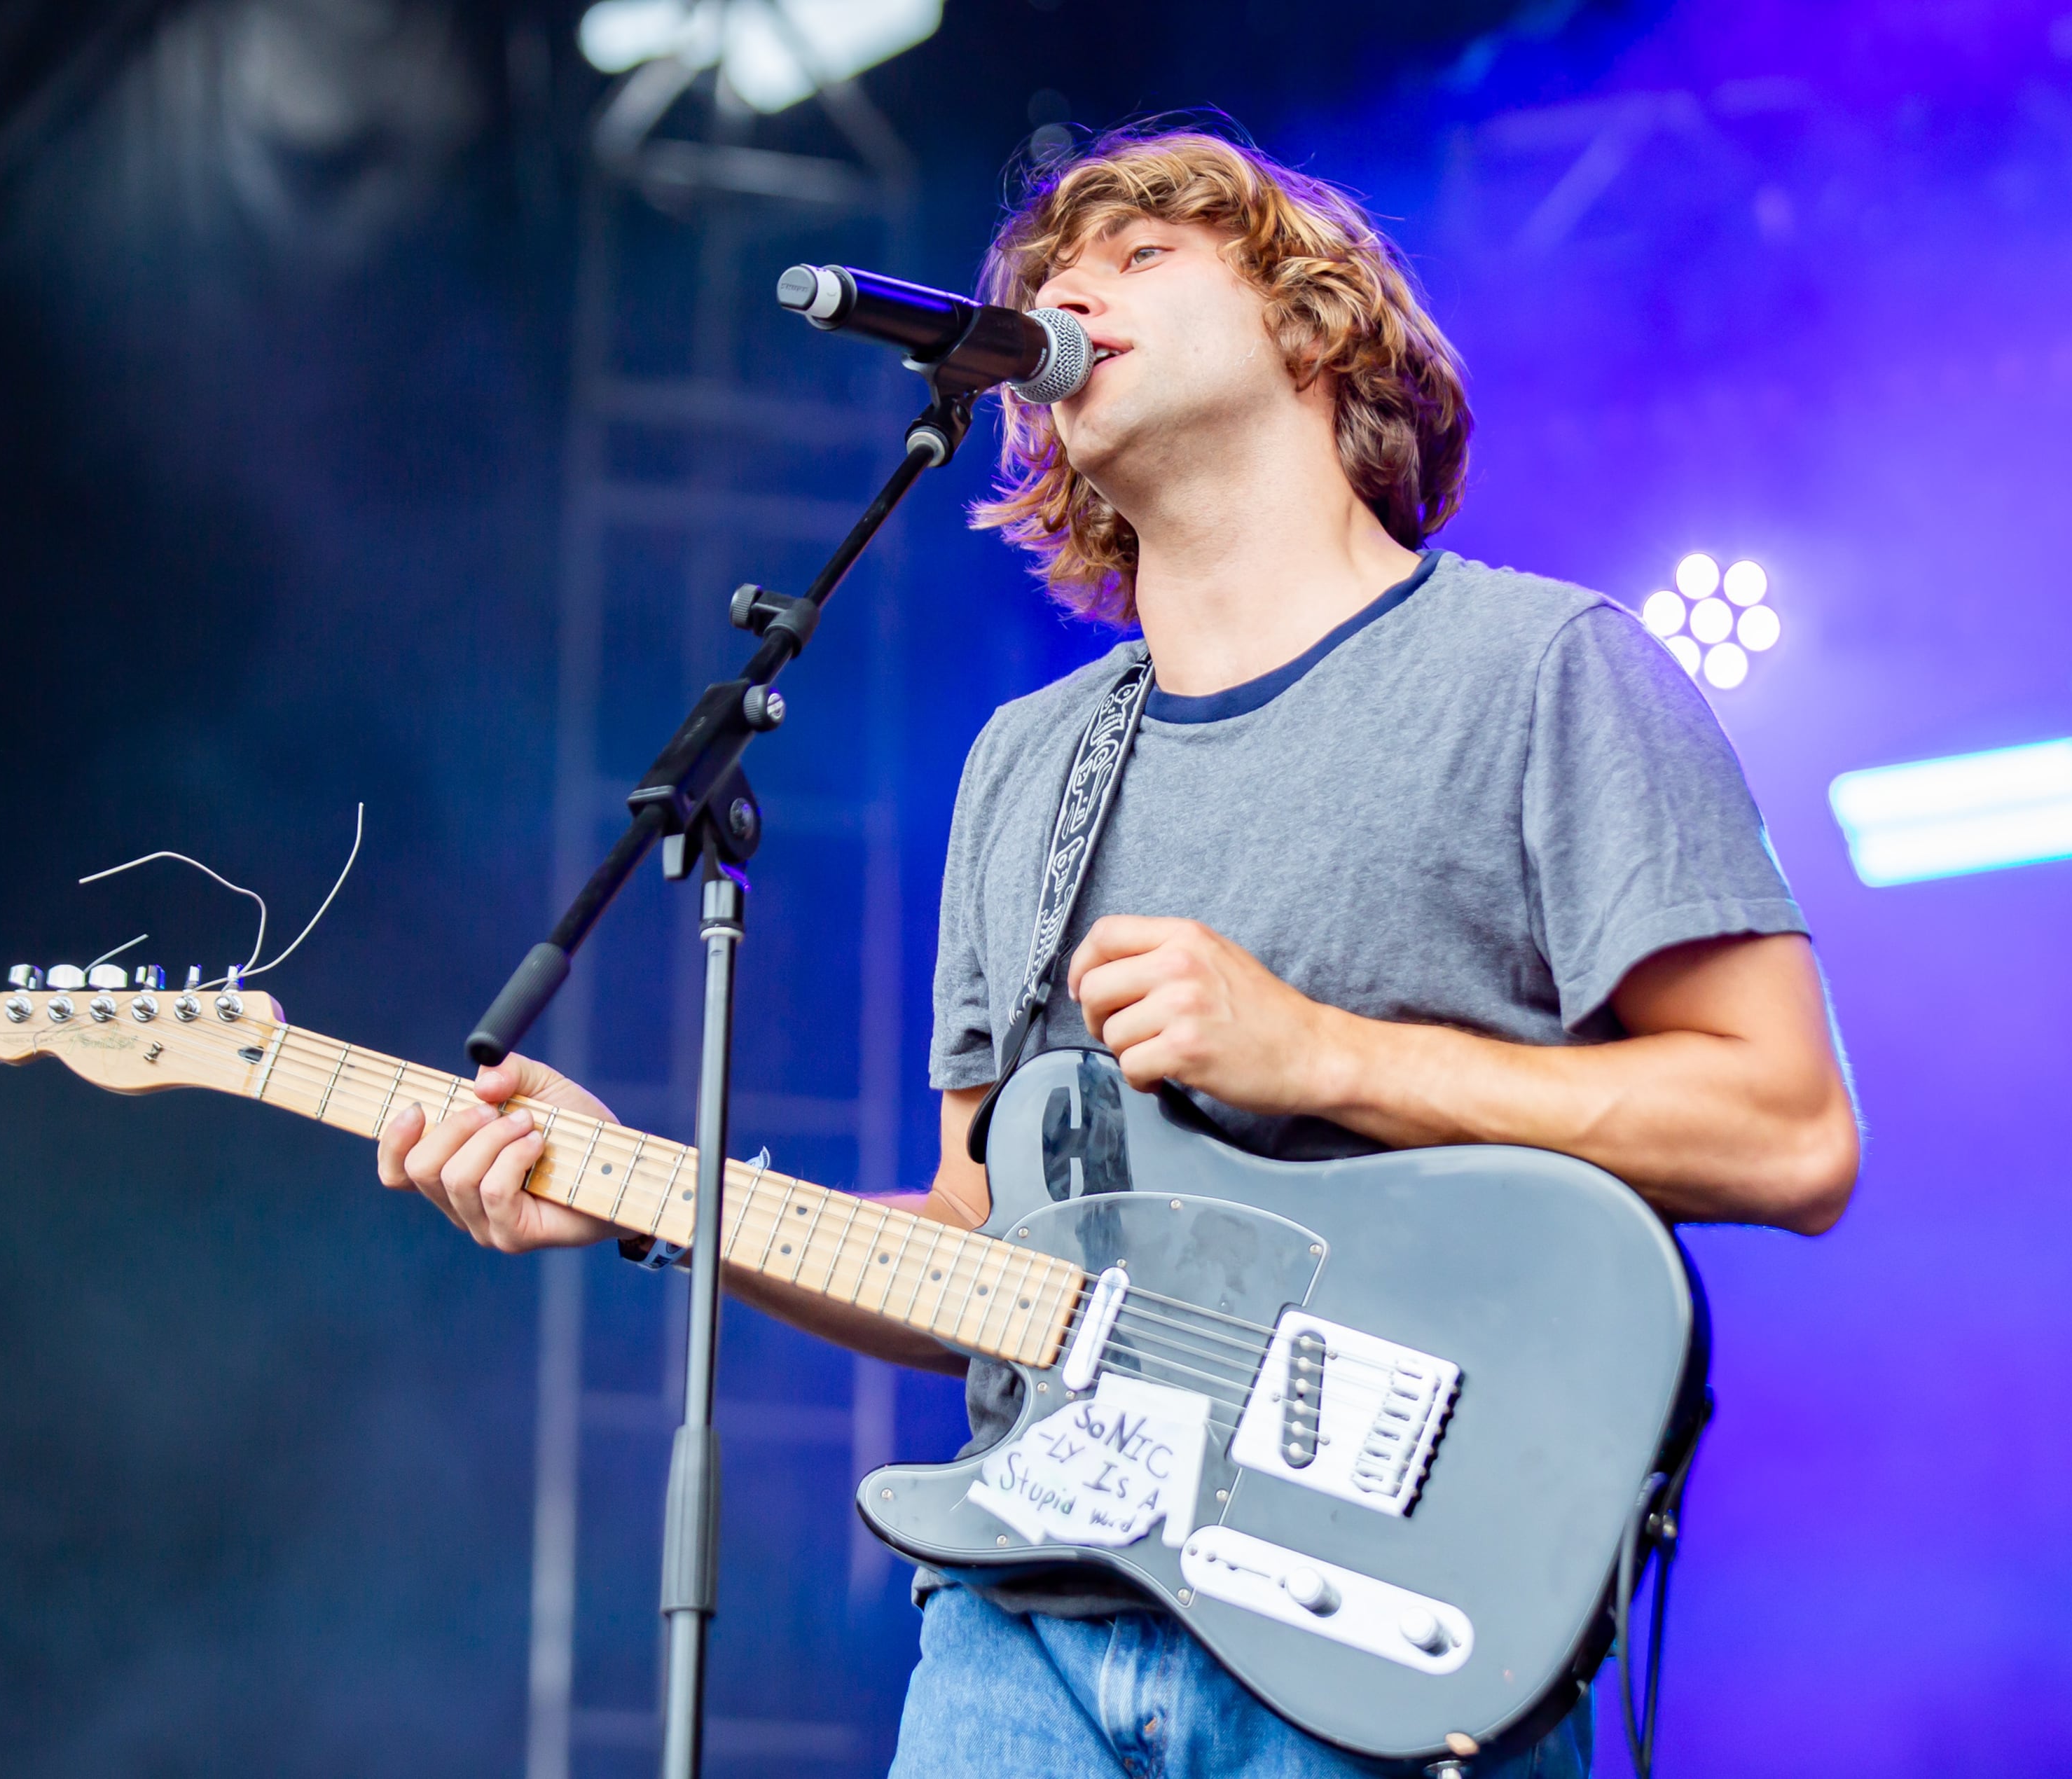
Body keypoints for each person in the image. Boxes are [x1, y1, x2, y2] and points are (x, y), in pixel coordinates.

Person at [375, 124, 1858, 1779]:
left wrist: (1326, 1057)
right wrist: (655, 1190)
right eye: (1051, 280)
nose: (1071, 291)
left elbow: (1789, 1132)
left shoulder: (1545, 670)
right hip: (1024, 1628)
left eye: (1144, 256)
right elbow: (976, 1245)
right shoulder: (1028, 761)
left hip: (1372, 1635)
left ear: (1315, 325)